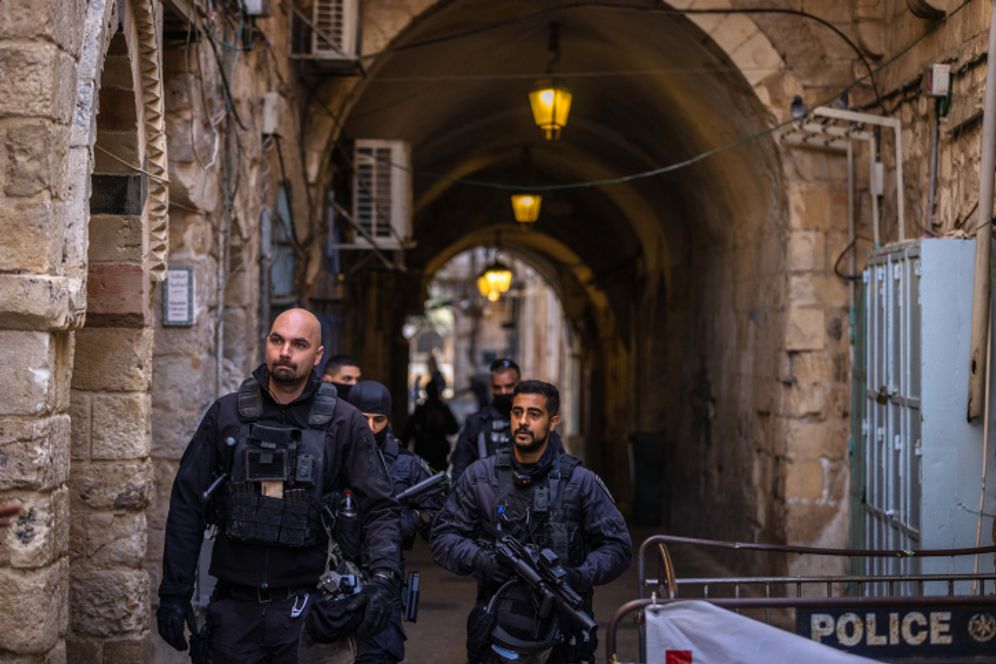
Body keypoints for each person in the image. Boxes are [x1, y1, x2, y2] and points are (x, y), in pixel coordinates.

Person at [156, 308, 401, 663]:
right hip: (234, 610)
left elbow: (379, 506)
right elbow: (187, 505)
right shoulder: (226, 415)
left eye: (298, 344)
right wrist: (174, 594)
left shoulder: (343, 422)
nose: (285, 351)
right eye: (277, 340)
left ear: (317, 356)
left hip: (308, 610)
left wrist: (383, 578)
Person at [431, 380, 632, 663]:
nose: (523, 422)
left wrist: (578, 575)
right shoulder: (481, 477)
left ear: (553, 422)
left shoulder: (579, 482)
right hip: (497, 628)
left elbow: (618, 547)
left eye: (534, 414)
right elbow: (442, 537)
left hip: (565, 631)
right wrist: (484, 561)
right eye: (517, 413)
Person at [348, 380, 447, 663]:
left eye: (378, 420)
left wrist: (412, 518)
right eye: (362, 419)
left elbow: (442, 520)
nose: (370, 427)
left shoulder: (407, 464)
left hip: (384, 577)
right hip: (332, 578)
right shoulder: (329, 453)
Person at [450, 359, 562, 482]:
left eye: (509, 386)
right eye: (497, 388)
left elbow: (558, 462)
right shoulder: (478, 423)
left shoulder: (536, 424)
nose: (503, 392)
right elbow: (460, 469)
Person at [401, 376, 459, 472]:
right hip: (425, 452)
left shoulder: (441, 409)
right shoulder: (424, 410)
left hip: (436, 452)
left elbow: (453, 429)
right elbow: (408, 431)